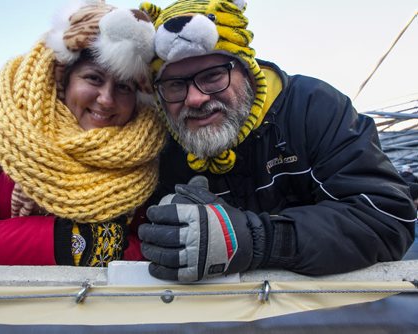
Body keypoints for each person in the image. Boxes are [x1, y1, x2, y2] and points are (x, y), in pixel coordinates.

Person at [137, 0, 417, 282]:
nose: (195, 98)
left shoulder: (313, 108)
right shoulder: (161, 145)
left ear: (246, 69)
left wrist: (257, 240)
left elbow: (386, 219)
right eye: (174, 85)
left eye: (212, 76)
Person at [0, 0, 166, 266]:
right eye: (93, 78)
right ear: (65, 79)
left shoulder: (153, 141)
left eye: (124, 88)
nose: (106, 99)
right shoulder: (0, 115)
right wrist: (79, 243)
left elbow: (158, 244)